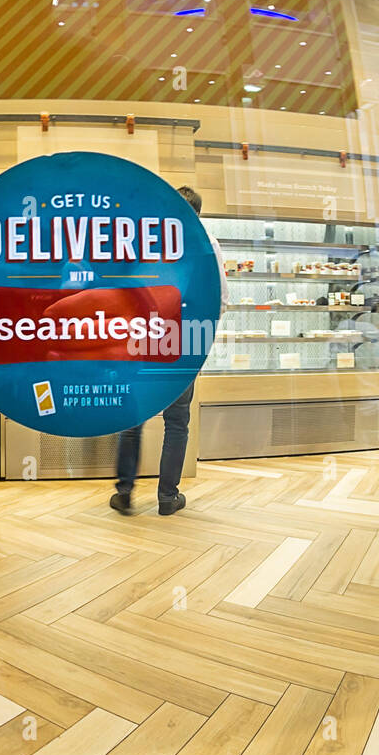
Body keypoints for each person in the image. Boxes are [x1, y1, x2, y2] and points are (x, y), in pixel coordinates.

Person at [110, 185, 227, 516]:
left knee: (132, 420)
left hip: (141, 341)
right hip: (185, 342)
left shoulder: (145, 241)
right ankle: (167, 497)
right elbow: (220, 301)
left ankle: (125, 494)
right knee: (176, 421)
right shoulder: (208, 246)